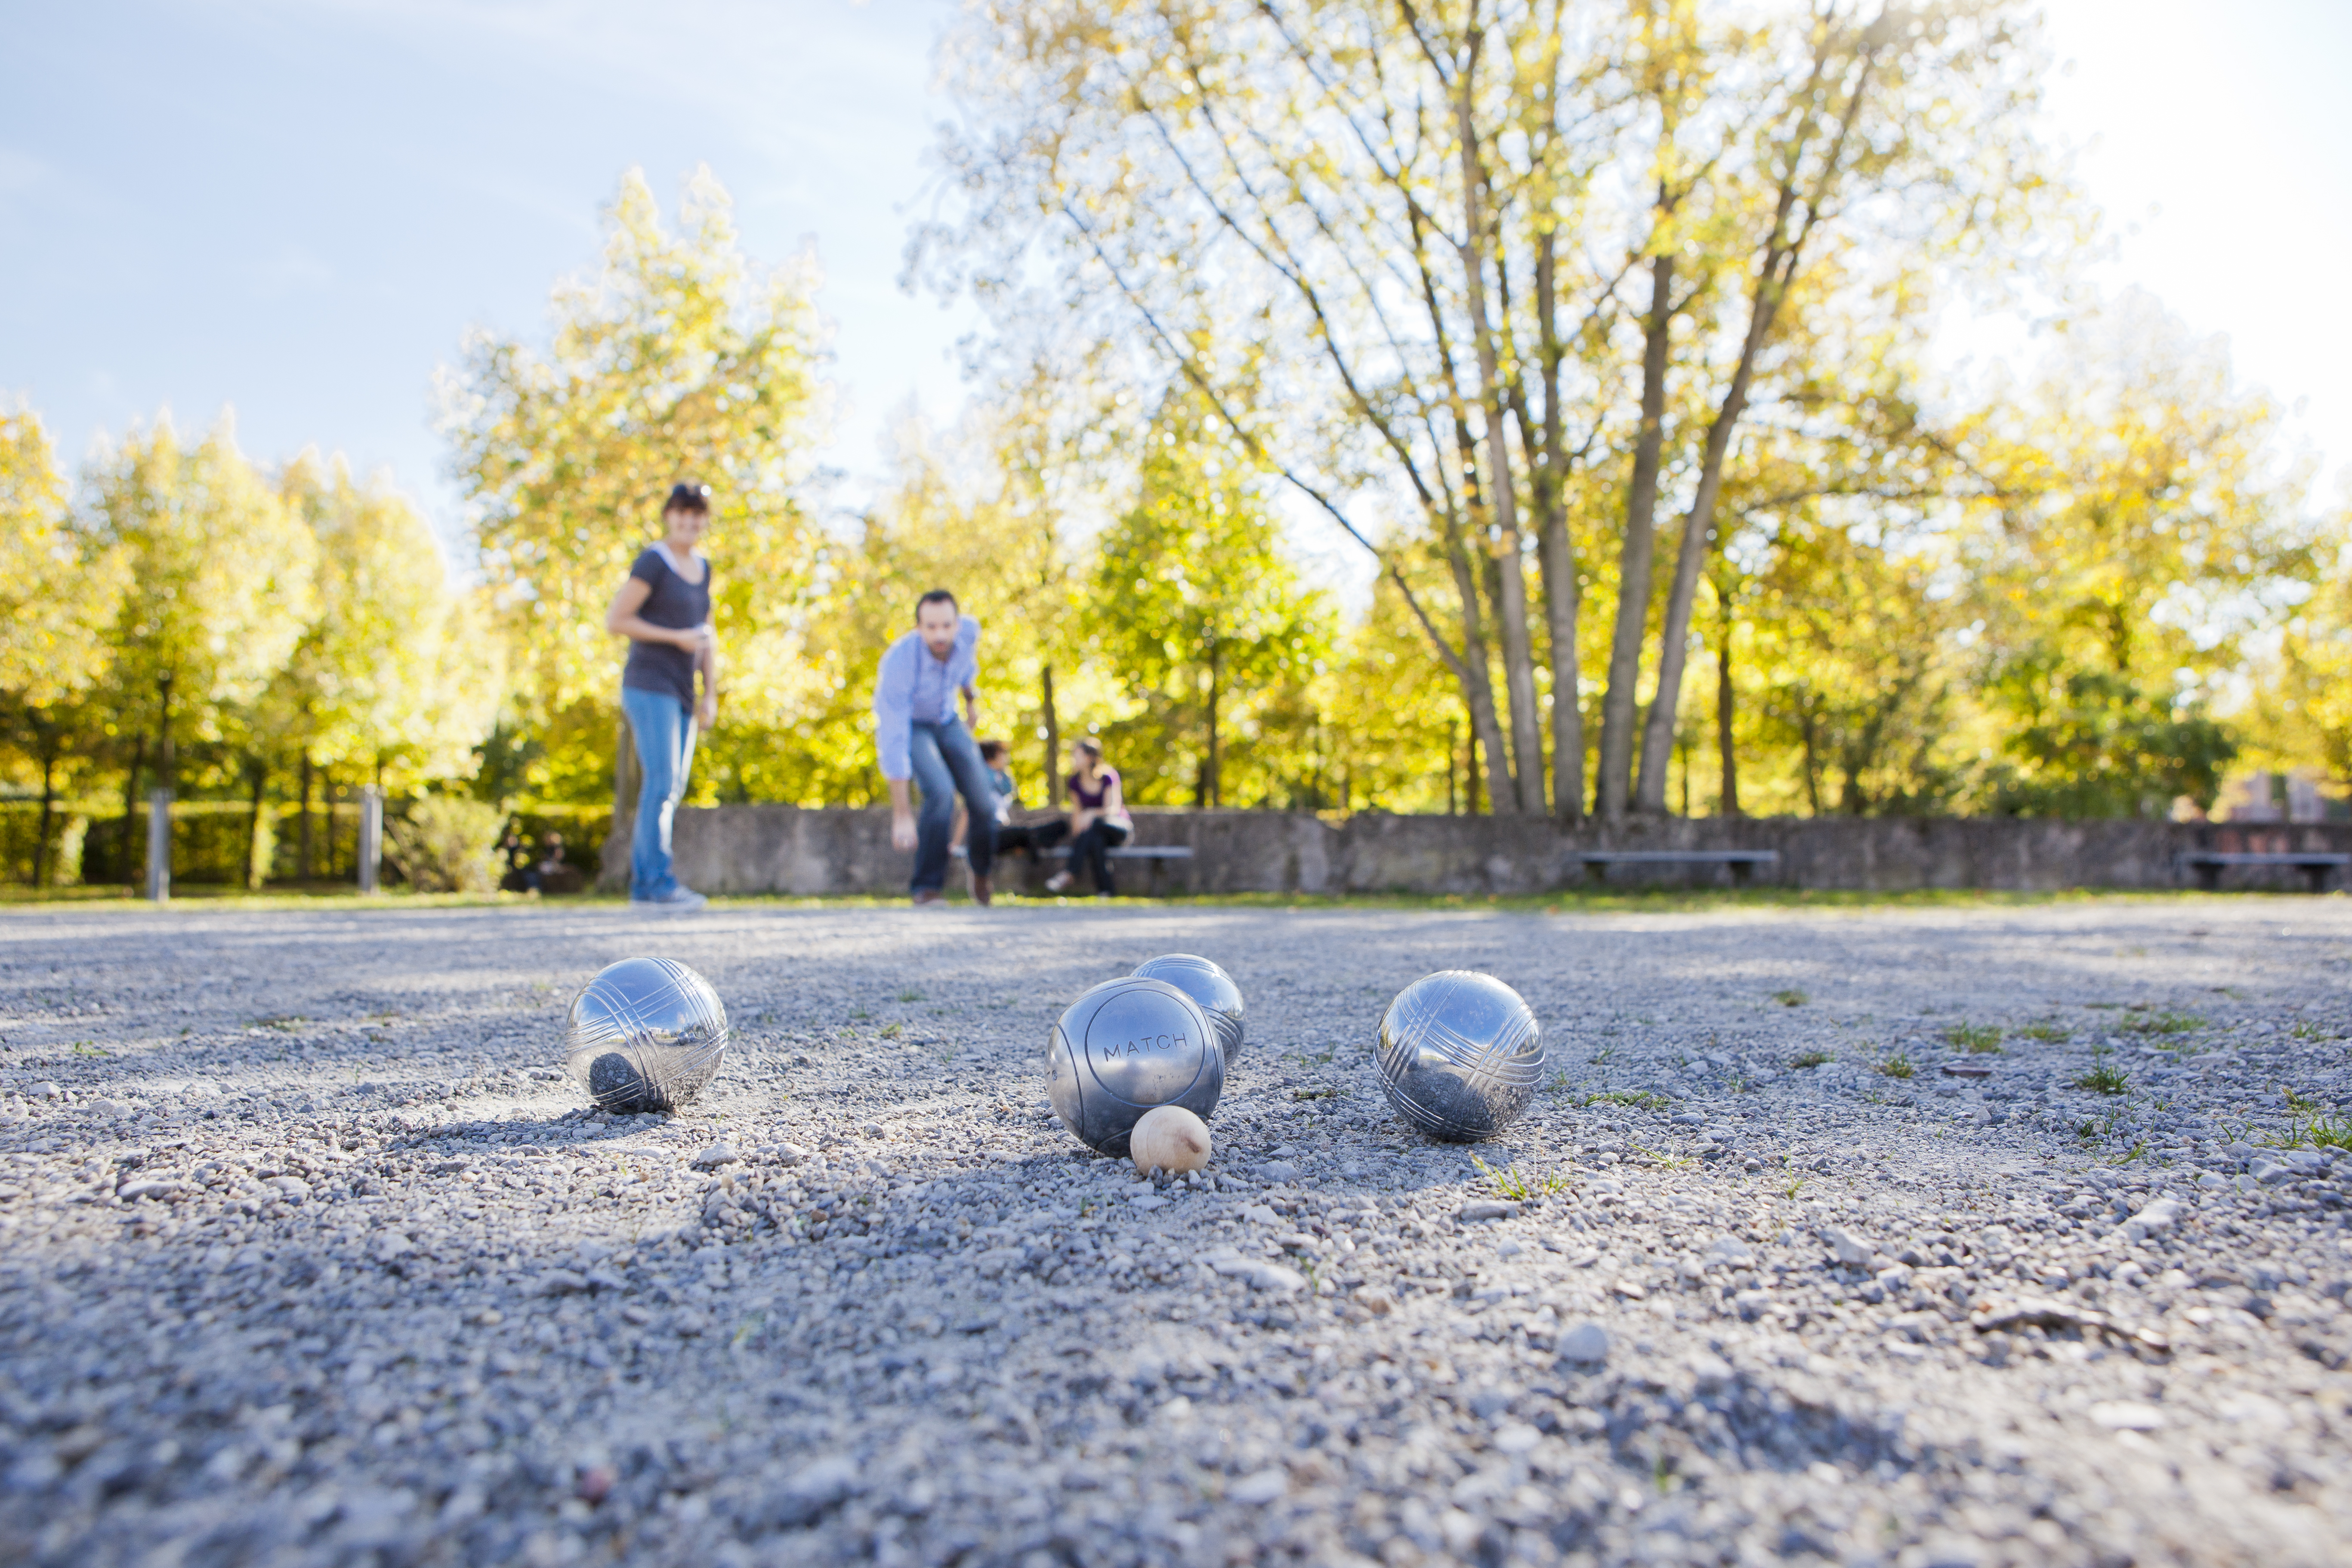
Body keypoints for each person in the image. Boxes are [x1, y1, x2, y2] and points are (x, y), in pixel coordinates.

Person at [604, 482, 719, 911]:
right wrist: (676, 638)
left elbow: (707, 634)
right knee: (661, 780)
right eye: (681, 513)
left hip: (683, 689)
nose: (689, 522)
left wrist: (711, 692)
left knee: (673, 784)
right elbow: (616, 619)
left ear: (705, 519)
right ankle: (654, 884)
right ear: (669, 515)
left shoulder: (703, 567)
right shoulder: (654, 561)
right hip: (649, 683)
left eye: (697, 514)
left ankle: (651, 885)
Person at [873, 590, 997, 906]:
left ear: (958, 624)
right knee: (941, 792)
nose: (940, 634)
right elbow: (893, 738)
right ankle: (927, 888)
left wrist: (971, 703)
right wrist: (901, 814)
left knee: (983, 799)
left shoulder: (969, 633)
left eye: (946, 625)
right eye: (931, 627)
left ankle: (981, 874)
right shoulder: (899, 662)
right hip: (914, 726)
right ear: (918, 628)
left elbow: (967, 670)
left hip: (948, 718)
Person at [1047, 738, 1131, 898]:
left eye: (1077, 755)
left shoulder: (1109, 777)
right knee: (1095, 839)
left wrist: (1091, 813)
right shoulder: (1074, 782)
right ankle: (1106, 891)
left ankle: (1070, 873)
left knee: (1096, 825)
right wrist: (1078, 833)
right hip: (1095, 832)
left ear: (1090, 757)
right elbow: (1077, 812)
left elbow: (1112, 809)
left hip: (1117, 828)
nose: (1074, 759)